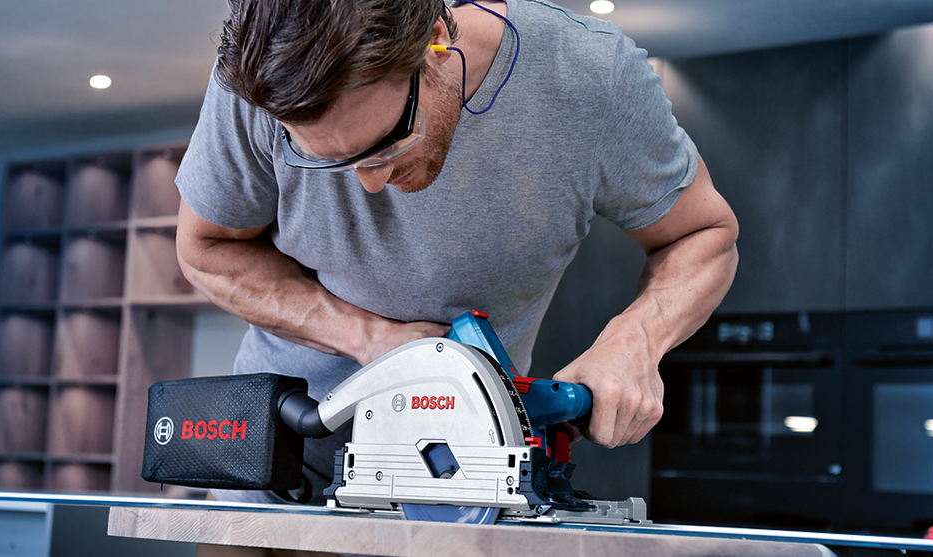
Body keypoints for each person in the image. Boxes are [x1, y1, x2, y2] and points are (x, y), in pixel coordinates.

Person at [176, 0, 738, 518]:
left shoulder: (590, 77)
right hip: (281, 448)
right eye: (329, 161)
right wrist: (371, 339)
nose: (370, 184)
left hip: (468, 472)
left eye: (389, 141)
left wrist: (634, 342)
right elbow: (206, 249)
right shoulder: (260, 84)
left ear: (438, 41)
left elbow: (704, 235)